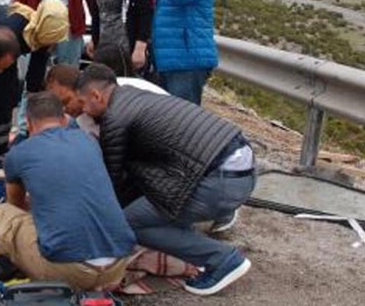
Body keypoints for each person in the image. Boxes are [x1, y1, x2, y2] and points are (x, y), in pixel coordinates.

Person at [76, 63, 255, 296]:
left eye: (82, 103)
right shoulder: (137, 94)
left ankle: (222, 259)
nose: (83, 111)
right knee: (150, 209)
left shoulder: (114, 119)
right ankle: (195, 246)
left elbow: (112, 183)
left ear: (96, 96)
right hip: (241, 166)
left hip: (220, 182)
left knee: (129, 223)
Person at [0, 92, 135, 290]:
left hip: (68, 272)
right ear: (64, 119)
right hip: (117, 266)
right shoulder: (89, 141)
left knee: (2, 213)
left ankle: (35, 274)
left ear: (29, 124)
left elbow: (16, 206)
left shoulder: (19, 153)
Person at [0, 1, 68, 166]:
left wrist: (34, 113)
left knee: (6, 97)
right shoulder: (13, 27)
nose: (52, 44)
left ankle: (0, 148)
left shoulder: (42, 34)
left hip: (6, 56)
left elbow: (35, 75)